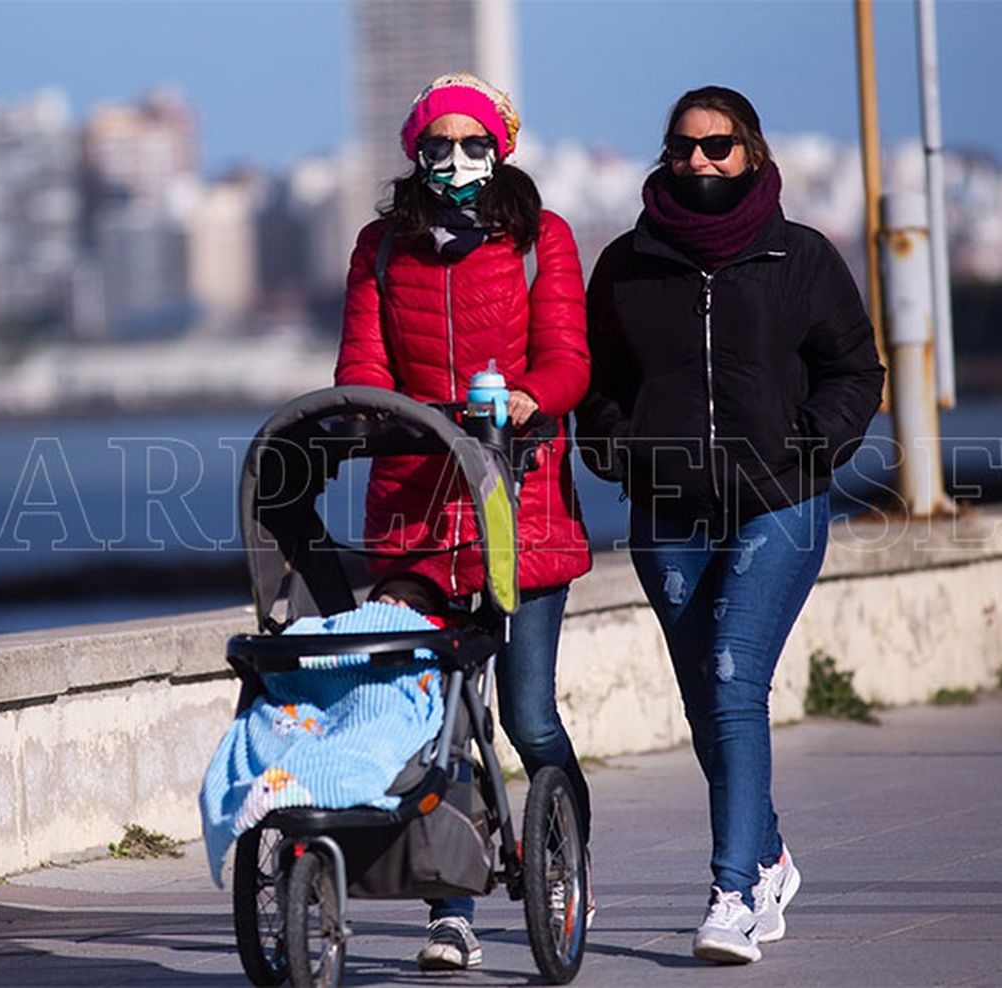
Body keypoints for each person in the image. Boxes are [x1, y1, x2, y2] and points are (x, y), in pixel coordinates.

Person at [576, 86, 885, 964]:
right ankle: (772, 854)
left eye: (717, 148)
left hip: (780, 504)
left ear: (750, 152)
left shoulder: (801, 257)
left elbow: (854, 370)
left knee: (732, 674)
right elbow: (594, 386)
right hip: (669, 513)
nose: (699, 162)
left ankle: (734, 893)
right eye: (683, 148)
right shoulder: (629, 265)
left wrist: (809, 447)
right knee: (707, 700)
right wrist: (623, 451)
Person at [335, 71, 593, 972]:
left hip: (518, 504)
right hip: (413, 512)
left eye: (472, 144)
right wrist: (371, 412)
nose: (455, 161)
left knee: (526, 717)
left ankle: (564, 863)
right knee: (433, 714)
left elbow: (569, 360)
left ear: (501, 148)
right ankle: (451, 911)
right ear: (415, 153)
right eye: (437, 146)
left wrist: (526, 397)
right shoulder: (379, 248)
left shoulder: (540, 239)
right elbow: (361, 364)